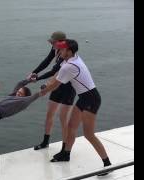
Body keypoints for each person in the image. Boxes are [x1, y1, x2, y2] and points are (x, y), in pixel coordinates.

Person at [40, 39, 112, 175]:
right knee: (71, 126)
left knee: (88, 134)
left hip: (91, 99)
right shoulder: (71, 59)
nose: (59, 51)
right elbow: (56, 77)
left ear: (69, 51)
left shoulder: (69, 66)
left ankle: (107, 163)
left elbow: (55, 85)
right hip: (84, 98)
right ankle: (66, 154)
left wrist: (45, 90)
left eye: (61, 49)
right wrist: (47, 85)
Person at [27, 31, 76, 155]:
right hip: (57, 85)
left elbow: (53, 71)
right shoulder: (56, 49)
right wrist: (34, 72)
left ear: (61, 42)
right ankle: (45, 142)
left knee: (63, 118)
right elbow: (47, 61)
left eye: (53, 42)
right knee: (50, 114)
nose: (52, 44)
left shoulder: (66, 54)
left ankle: (65, 148)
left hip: (69, 88)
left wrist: (37, 79)